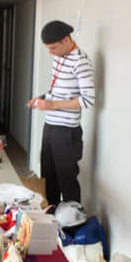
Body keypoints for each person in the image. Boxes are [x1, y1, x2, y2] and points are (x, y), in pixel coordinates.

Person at [27, 19, 95, 207]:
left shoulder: (81, 62)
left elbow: (87, 100)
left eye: (53, 47)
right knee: (48, 176)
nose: (50, 52)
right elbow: (58, 92)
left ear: (66, 40)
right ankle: (52, 217)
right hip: (50, 125)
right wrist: (41, 99)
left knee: (67, 179)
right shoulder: (59, 57)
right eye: (48, 48)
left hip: (67, 130)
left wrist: (52, 104)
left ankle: (73, 219)